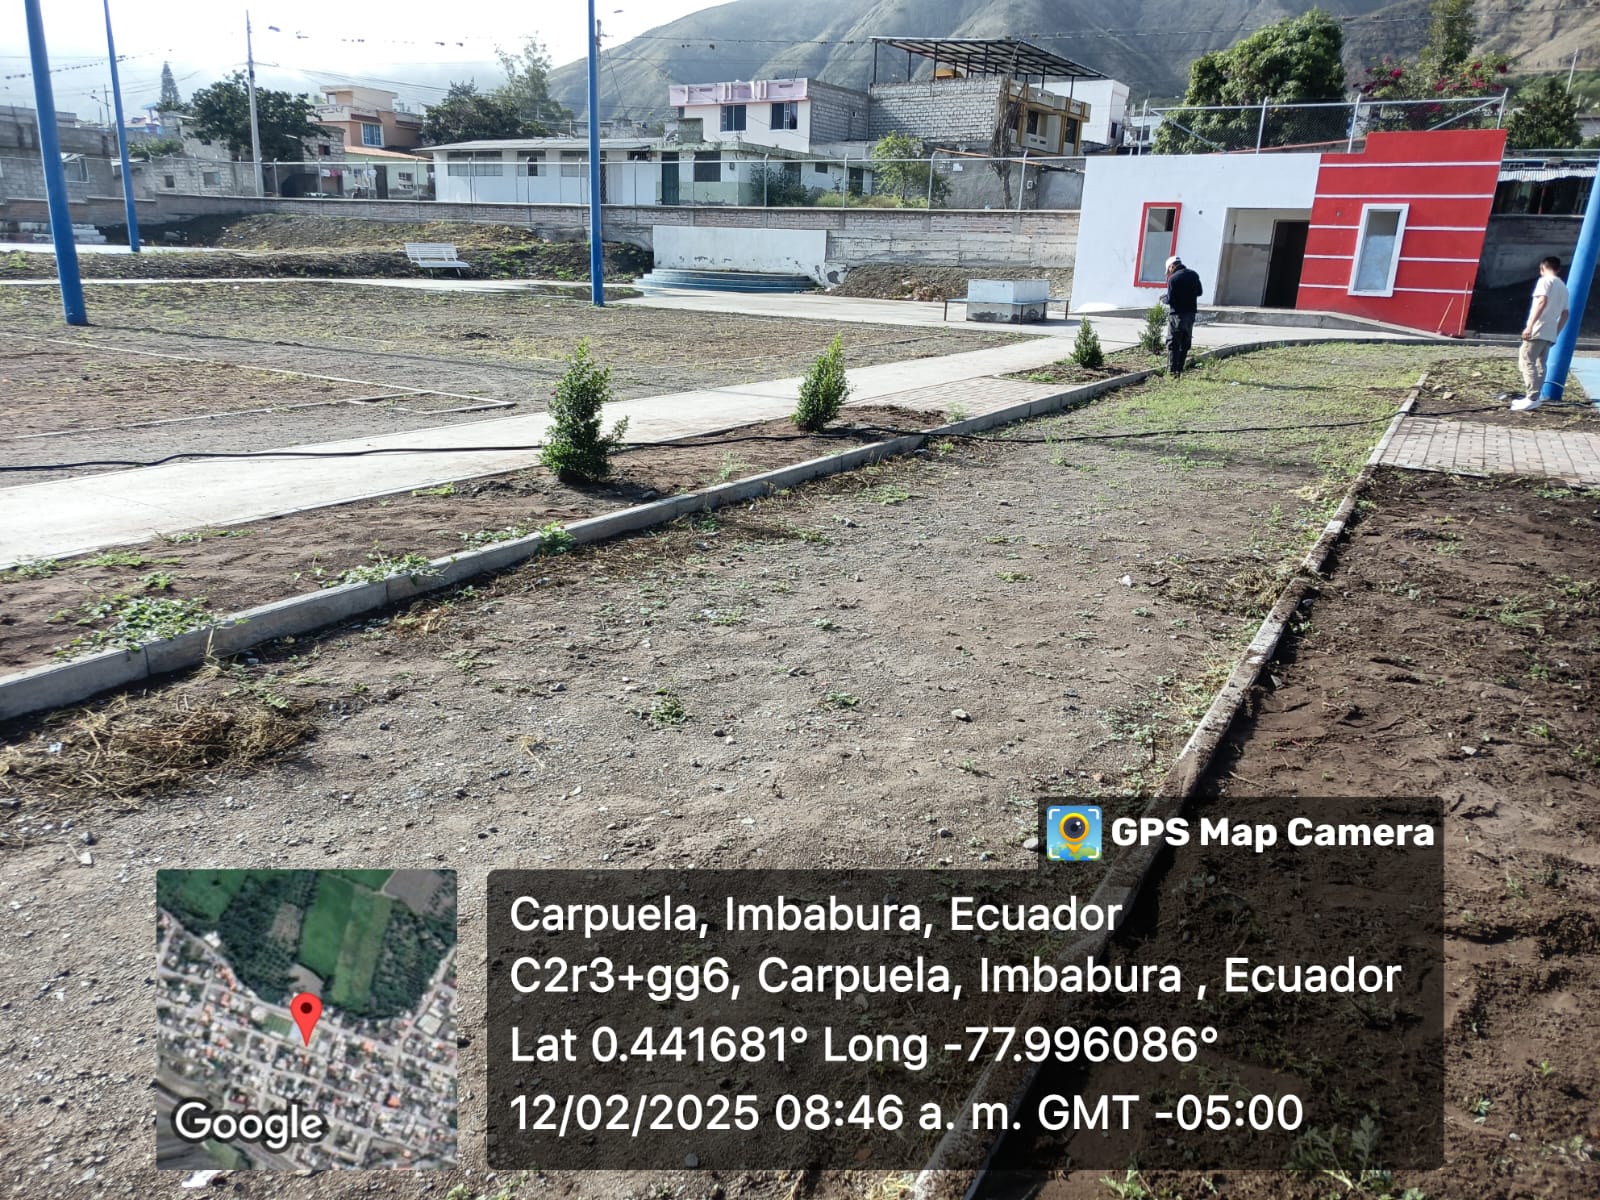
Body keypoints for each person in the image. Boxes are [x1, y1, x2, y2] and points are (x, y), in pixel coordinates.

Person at [1511, 256, 1569, 412]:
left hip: (1538, 328)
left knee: (1526, 359)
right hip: (1550, 331)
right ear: (1558, 269)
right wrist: (1556, 332)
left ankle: (1532, 397)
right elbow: (1565, 313)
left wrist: (1529, 326)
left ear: (1542, 268)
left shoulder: (1544, 281)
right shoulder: (1563, 287)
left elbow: (1542, 301)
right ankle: (1535, 397)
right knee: (1540, 364)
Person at [1163, 255, 1204, 375]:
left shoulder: (1173, 279)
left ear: (1172, 266)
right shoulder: (1194, 275)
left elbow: (1170, 299)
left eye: (1169, 270)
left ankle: (1172, 371)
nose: (1169, 272)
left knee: (1173, 342)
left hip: (1176, 315)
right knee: (1185, 342)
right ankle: (1180, 369)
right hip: (1190, 314)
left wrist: (1163, 299)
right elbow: (1199, 292)